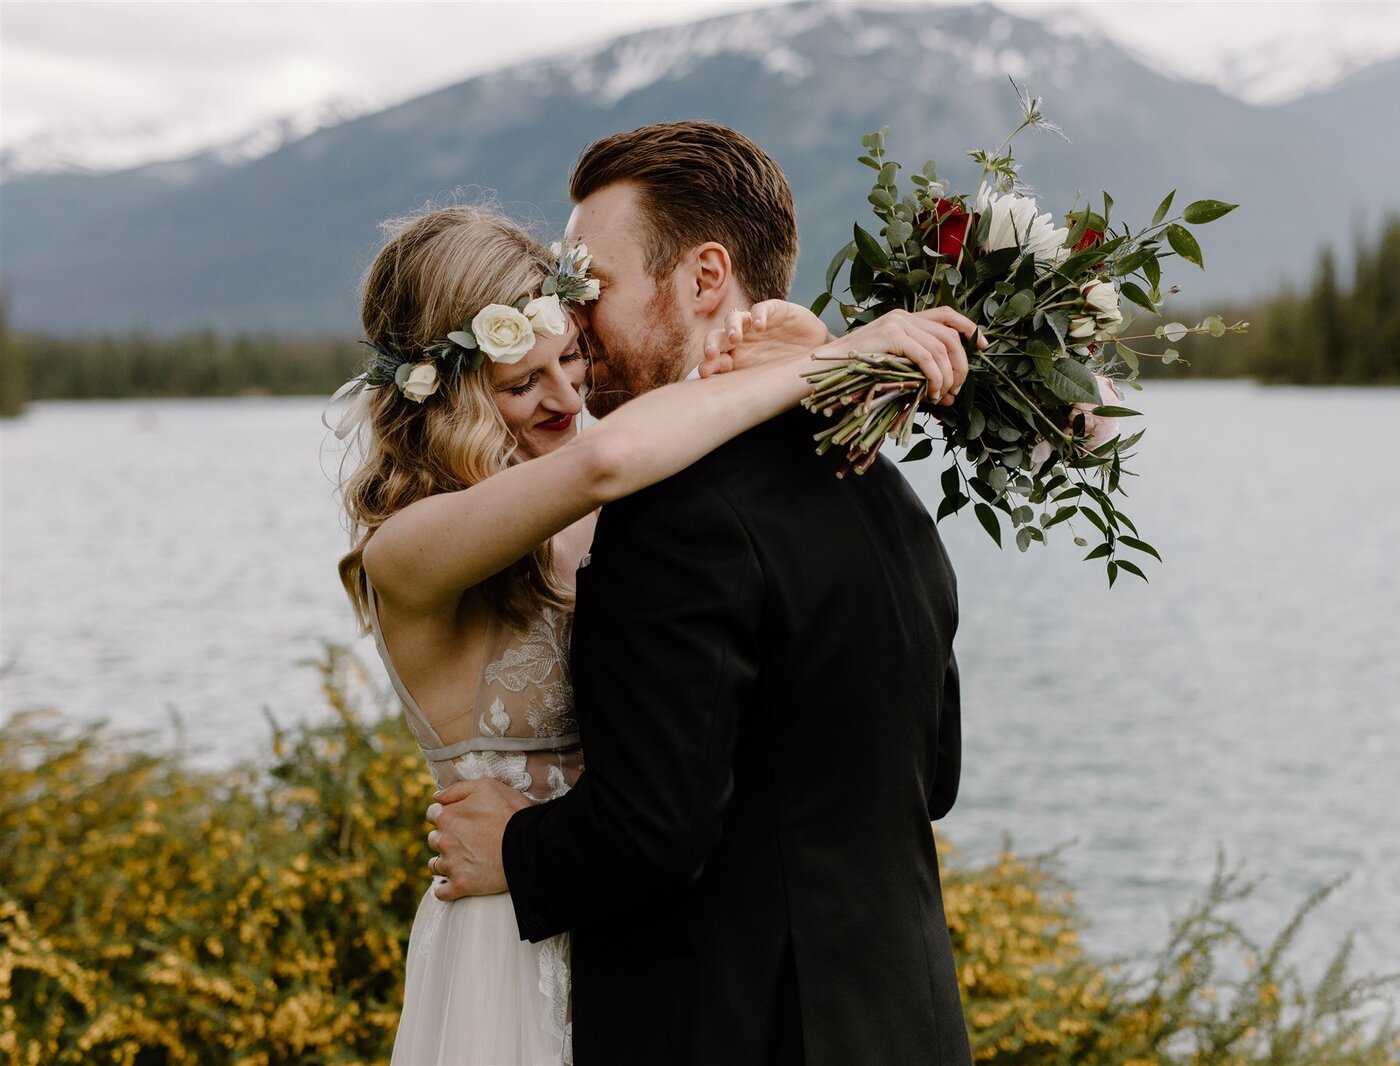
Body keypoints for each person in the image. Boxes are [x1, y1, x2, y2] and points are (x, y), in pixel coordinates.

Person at [335, 198, 975, 1062]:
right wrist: (842, 359)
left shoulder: (625, 515)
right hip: (509, 938)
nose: (569, 398)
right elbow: (612, 458)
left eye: (573, 356)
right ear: (449, 397)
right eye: (524, 384)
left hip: (623, 926)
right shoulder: (408, 552)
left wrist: (804, 355)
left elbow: (705, 477)